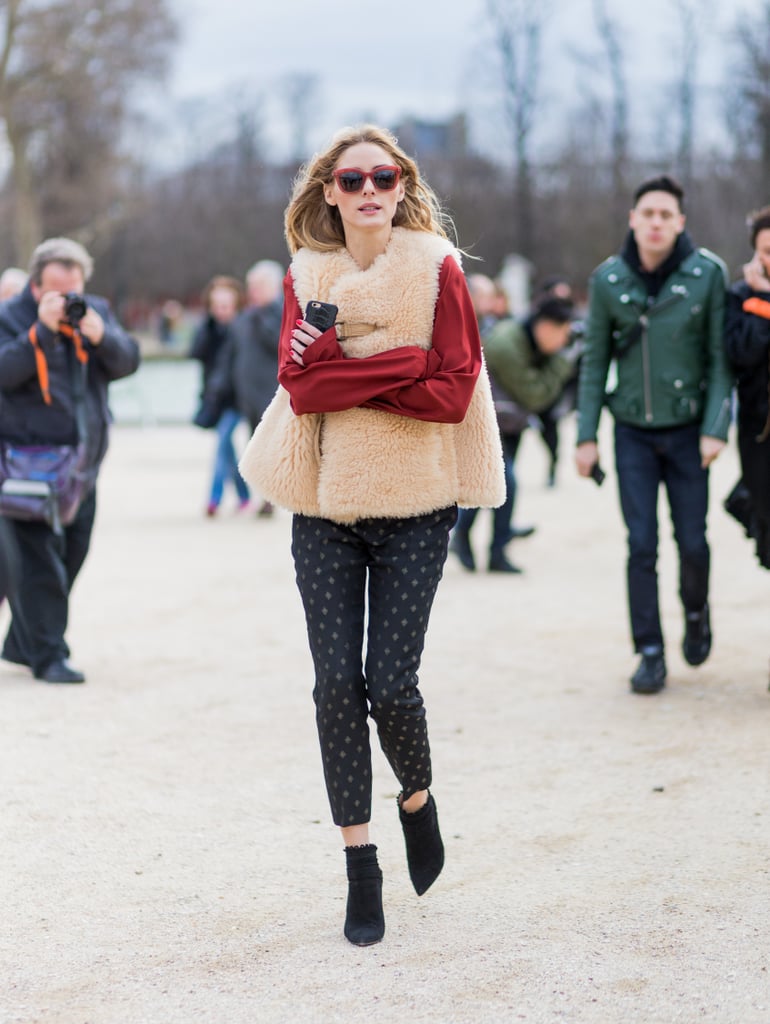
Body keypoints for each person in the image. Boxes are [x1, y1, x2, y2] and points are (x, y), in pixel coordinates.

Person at [238, 124, 504, 946]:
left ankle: (417, 798)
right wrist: (400, 361)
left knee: (390, 684)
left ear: (401, 184)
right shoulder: (304, 274)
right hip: (324, 511)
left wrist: (352, 367)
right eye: (351, 180)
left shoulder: (438, 268)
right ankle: (361, 866)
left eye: (382, 177)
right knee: (332, 688)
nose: (367, 191)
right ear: (329, 191)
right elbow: (300, 389)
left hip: (418, 507)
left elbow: (454, 392)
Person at [575, 175, 732, 695]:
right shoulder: (608, 279)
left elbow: (718, 357)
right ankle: (648, 652)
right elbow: (595, 361)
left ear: (680, 222)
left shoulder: (707, 273)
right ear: (633, 220)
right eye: (649, 213)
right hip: (634, 433)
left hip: (689, 432)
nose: (657, 222)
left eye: (667, 214)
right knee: (640, 544)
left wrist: (715, 428)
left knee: (692, 541)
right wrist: (586, 435)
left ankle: (696, 612)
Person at [0, 237, 140, 683]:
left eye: (74, 288)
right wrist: (38, 334)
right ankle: (48, 656)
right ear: (36, 286)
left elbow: (128, 361)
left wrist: (104, 337)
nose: (67, 299)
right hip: (26, 466)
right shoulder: (9, 317)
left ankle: (24, 642)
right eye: (57, 291)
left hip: (83, 465)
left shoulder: (92, 311)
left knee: (72, 554)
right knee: (39, 560)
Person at [206, 260, 284, 517]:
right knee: (255, 450)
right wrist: (218, 385)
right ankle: (262, 497)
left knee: (272, 450)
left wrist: (263, 320)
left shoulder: (282, 313)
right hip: (246, 397)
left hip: (273, 397)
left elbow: (280, 345)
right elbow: (230, 355)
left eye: (259, 286)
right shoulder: (245, 318)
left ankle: (271, 499)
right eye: (251, 286)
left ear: (273, 287)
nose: (253, 291)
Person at [724, 205, 770, 573]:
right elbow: (741, 354)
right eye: (767, 250)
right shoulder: (739, 297)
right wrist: (762, 302)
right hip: (759, 430)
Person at [189, 275, 249, 517]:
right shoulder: (208, 329)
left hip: (237, 398)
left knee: (222, 443)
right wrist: (210, 328)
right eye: (217, 306)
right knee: (228, 449)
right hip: (215, 398)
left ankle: (213, 499)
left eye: (226, 305)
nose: (221, 311)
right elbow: (195, 354)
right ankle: (244, 496)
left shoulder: (244, 328)